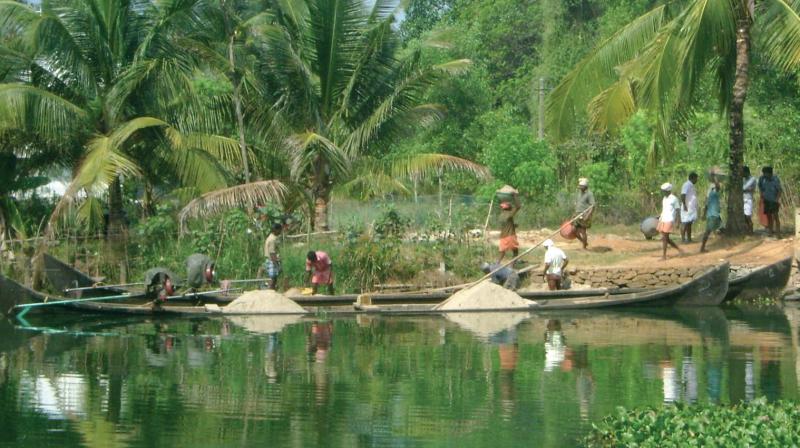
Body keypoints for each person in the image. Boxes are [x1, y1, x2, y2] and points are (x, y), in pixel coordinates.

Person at [656, 183, 684, 260]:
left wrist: (678, 221)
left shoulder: (674, 199)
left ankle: (664, 256)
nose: (663, 192)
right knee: (666, 238)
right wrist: (660, 216)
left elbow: (678, 210)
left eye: (664, 191)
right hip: (663, 219)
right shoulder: (664, 198)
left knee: (664, 238)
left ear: (668, 191)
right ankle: (679, 250)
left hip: (669, 219)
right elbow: (665, 209)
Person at [700, 176, 722, 253]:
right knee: (708, 231)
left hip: (713, 215)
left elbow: (706, 206)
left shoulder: (710, 196)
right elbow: (718, 186)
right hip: (713, 215)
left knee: (718, 229)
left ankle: (703, 247)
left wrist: (703, 215)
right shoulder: (714, 194)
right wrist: (715, 177)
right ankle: (702, 248)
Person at [758, 166, 782, 236]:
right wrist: (762, 195)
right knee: (768, 216)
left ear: (770, 173)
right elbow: (760, 187)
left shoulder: (775, 179)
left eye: (765, 173)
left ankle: (778, 233)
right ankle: (770, 231)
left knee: (775, 216)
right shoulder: (762, 179)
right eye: (763, 173)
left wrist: (776, 200)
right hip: (766, 200)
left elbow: (779, 190)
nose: (764, 175)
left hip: (774, 200)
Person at [497, 192, 521, 263]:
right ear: (509, 208)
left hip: (502, 237)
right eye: (510, 206)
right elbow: (518, 206)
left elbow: (506, 225)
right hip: (510, 236)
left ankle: (496, 264)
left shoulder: (500, 216)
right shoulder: (509, 214)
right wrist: (515, 196)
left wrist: (513, 226)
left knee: (502, 253)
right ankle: (512, 266)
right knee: (515, 252)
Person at [574, 178, 595, 249]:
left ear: (585, 187)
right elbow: (577, 204)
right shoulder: (579, 193)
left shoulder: (589, 194)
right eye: (579, 186)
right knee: (574, 231)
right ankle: (584, 242)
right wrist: (574, 214)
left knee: (583, 231)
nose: (580, 188)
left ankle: (584, 247)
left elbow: (592, 206)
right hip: (577, 214)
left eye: (581, 186)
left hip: (584, 215)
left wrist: (588, 216)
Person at [680, 172, 699, 243]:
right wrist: (684, 205)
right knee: (684, 222)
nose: (697, 180)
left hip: (691, 207)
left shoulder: (691, 185)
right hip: (687, 207)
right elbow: (683, 195)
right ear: (693, 178)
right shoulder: (686, 185)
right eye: (696, 179)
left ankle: (689, 238)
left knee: (689, 223)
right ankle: (683, 239)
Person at [263, 223, 282, 290]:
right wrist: (276, 264)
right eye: (280, 230)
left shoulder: (270, 237)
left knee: (274, 278)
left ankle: (272, 291)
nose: (280, 231)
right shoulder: (272, 239)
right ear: (276, 230)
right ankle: (270, 292)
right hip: (272, 261)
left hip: (271, 260)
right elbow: (272, 253)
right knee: (272, 278)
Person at [742, 166, 756, 234]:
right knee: (743, 217)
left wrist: (744, 189)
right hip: (742, 199)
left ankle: (751, 231)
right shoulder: (743, 179)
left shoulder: (752, 179)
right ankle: (747, 231)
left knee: (748, 216)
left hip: (748, 199)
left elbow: (744, 188)